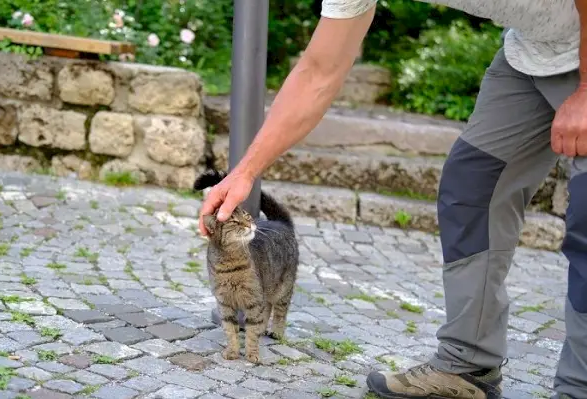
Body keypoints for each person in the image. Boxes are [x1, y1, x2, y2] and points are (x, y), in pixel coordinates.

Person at [199, 1, 587, 398]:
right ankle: (468, 363)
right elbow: (318, 72)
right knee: (472, 190)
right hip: (534, 52)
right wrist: (245, 171)